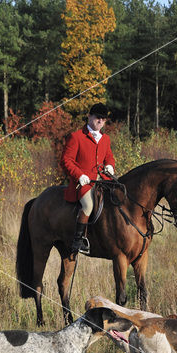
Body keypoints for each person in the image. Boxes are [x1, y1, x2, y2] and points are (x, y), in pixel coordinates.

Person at [60, 102, 115, 254]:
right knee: (88, 205)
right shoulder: (76, 137)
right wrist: (79, 175)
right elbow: (66, 160)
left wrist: (110, 165)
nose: (100, 121)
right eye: (98, 118)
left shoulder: (105, 139)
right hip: (84, 183)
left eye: (103, 119)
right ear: (89, 116)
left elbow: (109, 157)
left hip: (103, 180)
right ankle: (78, 240)